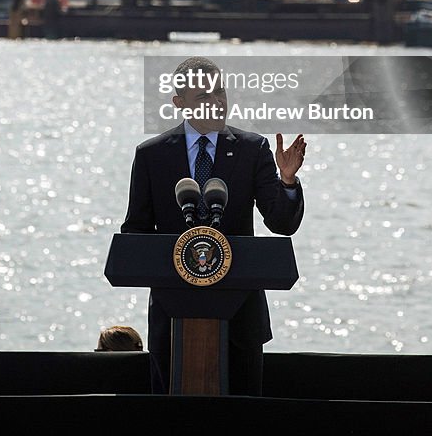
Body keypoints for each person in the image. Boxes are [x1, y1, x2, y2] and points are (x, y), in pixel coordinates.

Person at [121, 55, 306, 396]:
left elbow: (281, 224)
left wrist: (288, 181)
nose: (217, 102)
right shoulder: (152, 155)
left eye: (220, 91)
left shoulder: (253, 149)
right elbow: (136, 232)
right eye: (204, 96)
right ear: (180, 103)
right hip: (173, 317)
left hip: (239, 316)